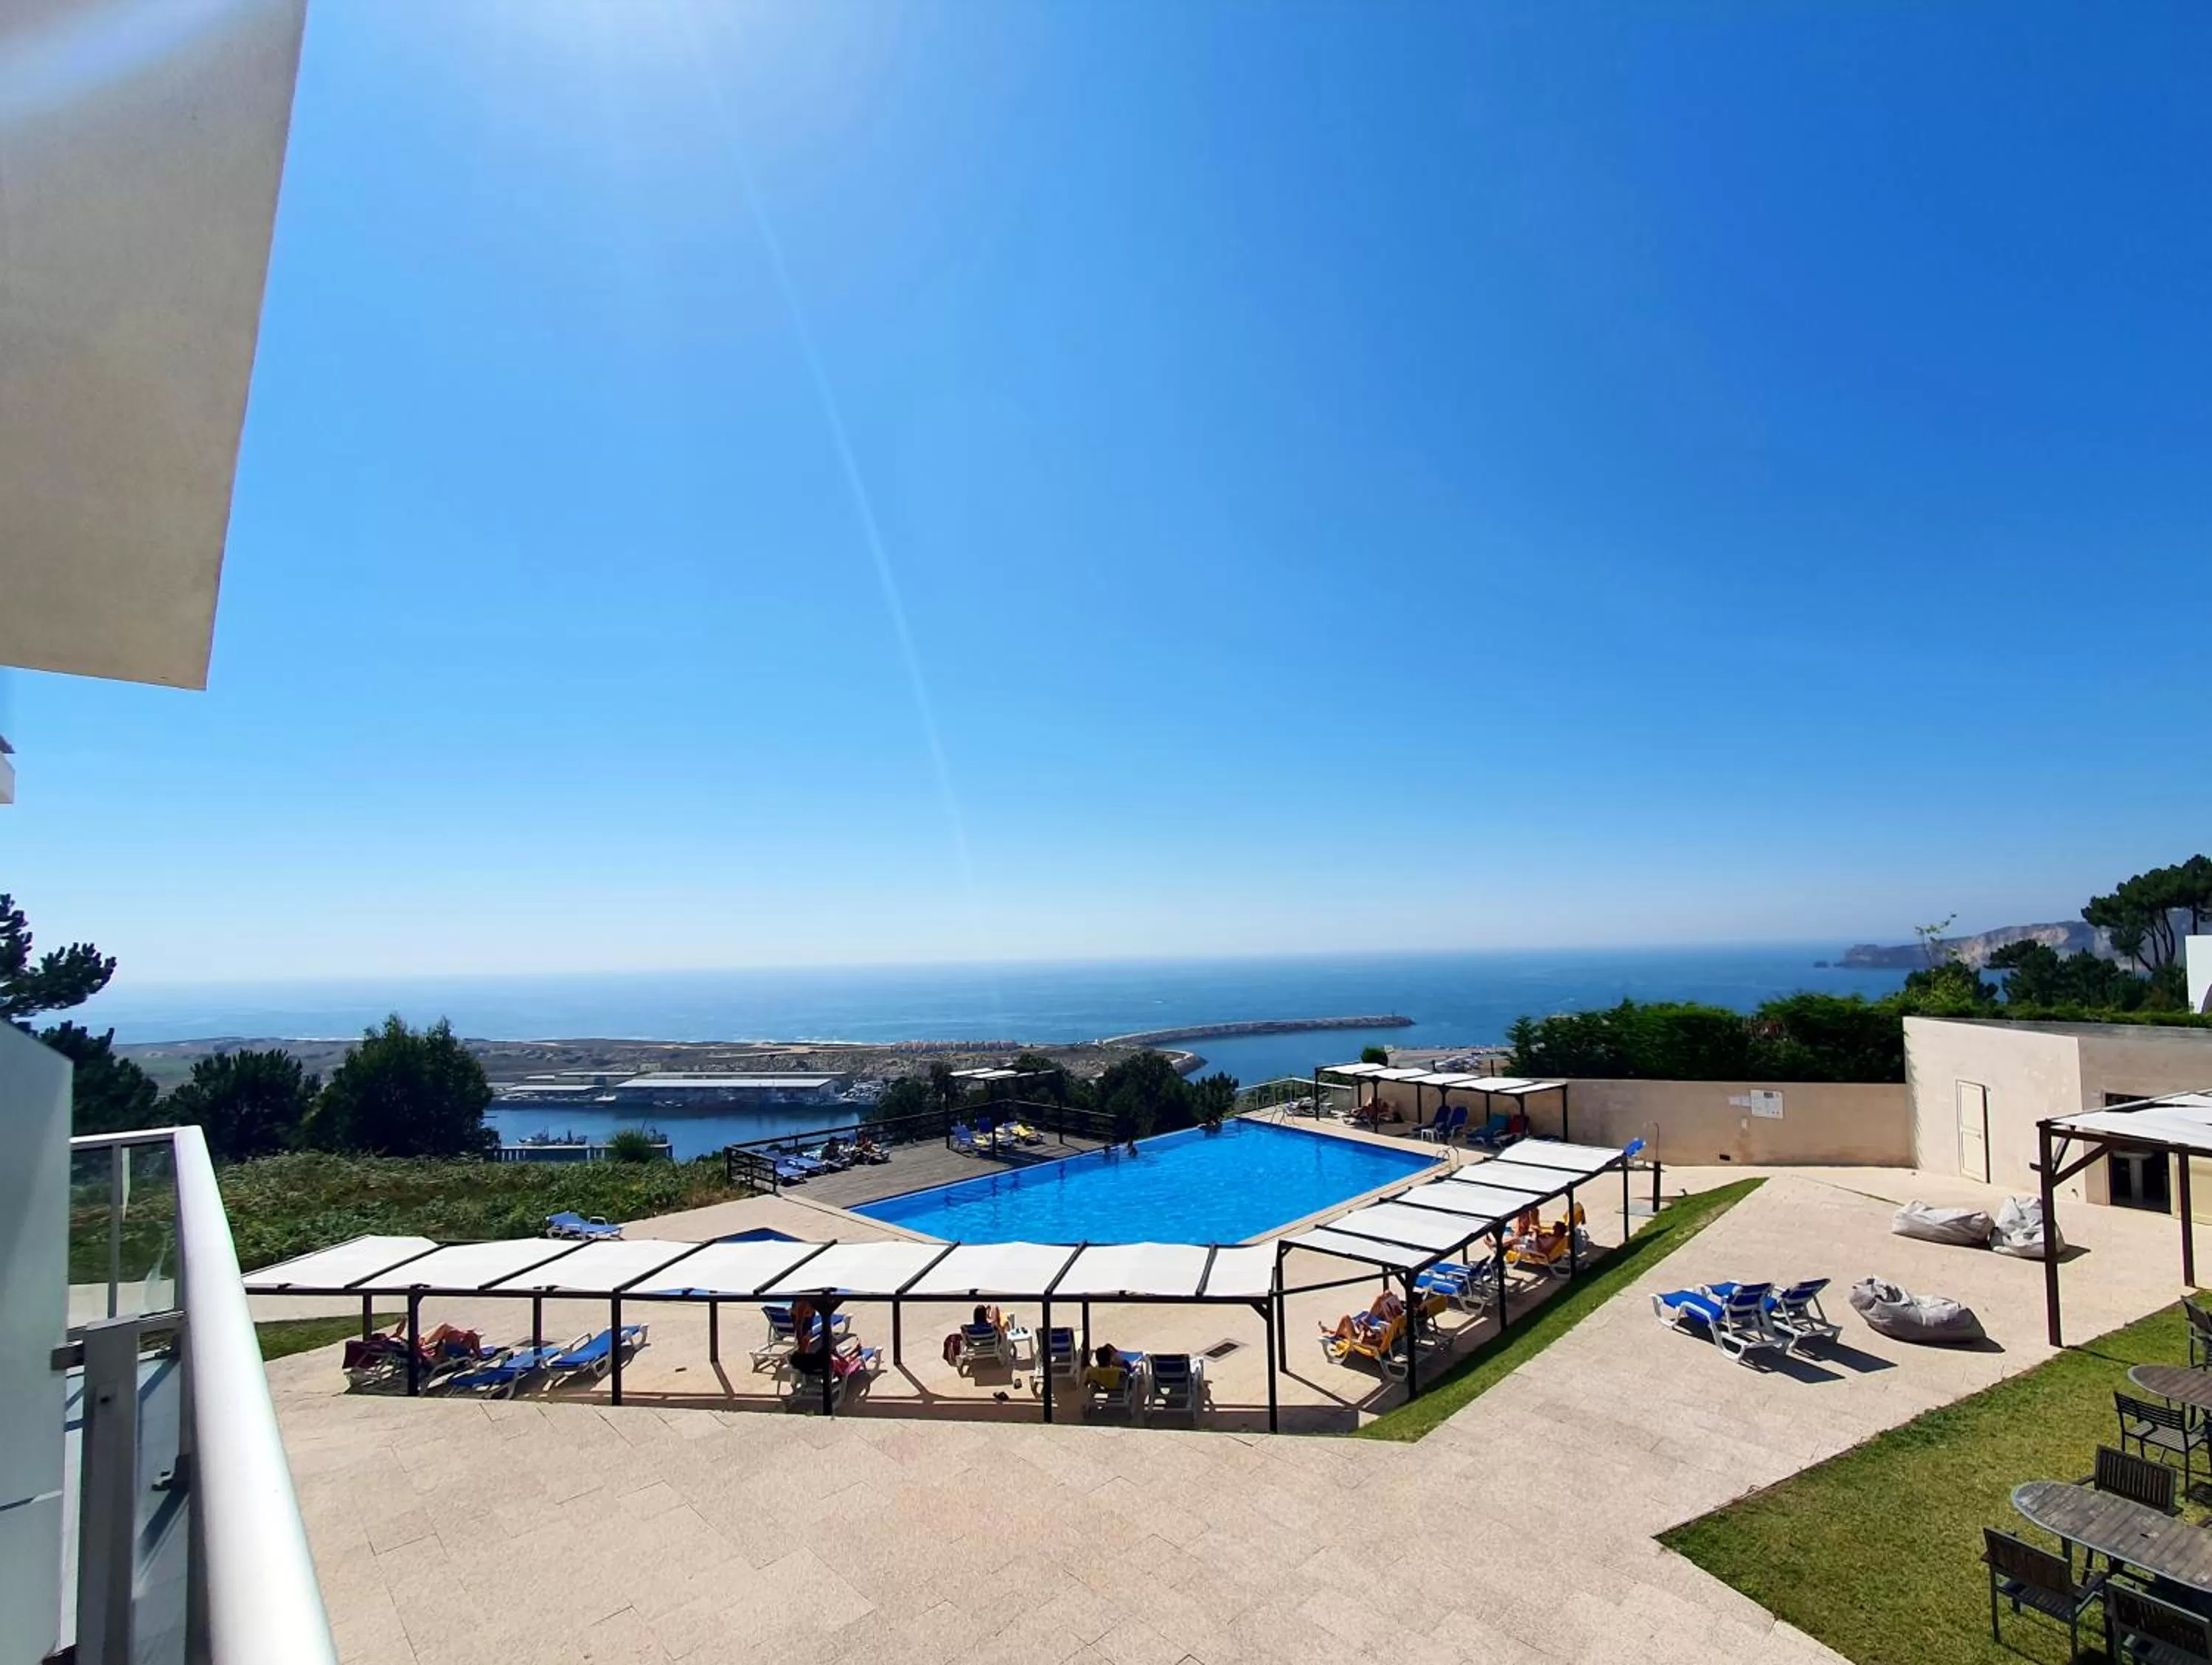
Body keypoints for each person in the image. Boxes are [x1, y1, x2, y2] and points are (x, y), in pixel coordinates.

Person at [1319, 1288, 1402, 1343]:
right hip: (1363, 1335)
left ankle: (1334, 1336)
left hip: (1357, 1339)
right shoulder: (1386, 1333)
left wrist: (1364, 1330)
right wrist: (1365, 1329)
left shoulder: (1379, 1334)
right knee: (1387, 1294)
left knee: (1346, 1318)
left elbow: (1362, 1340)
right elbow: (1371, 1337)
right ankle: (1330, 1332)